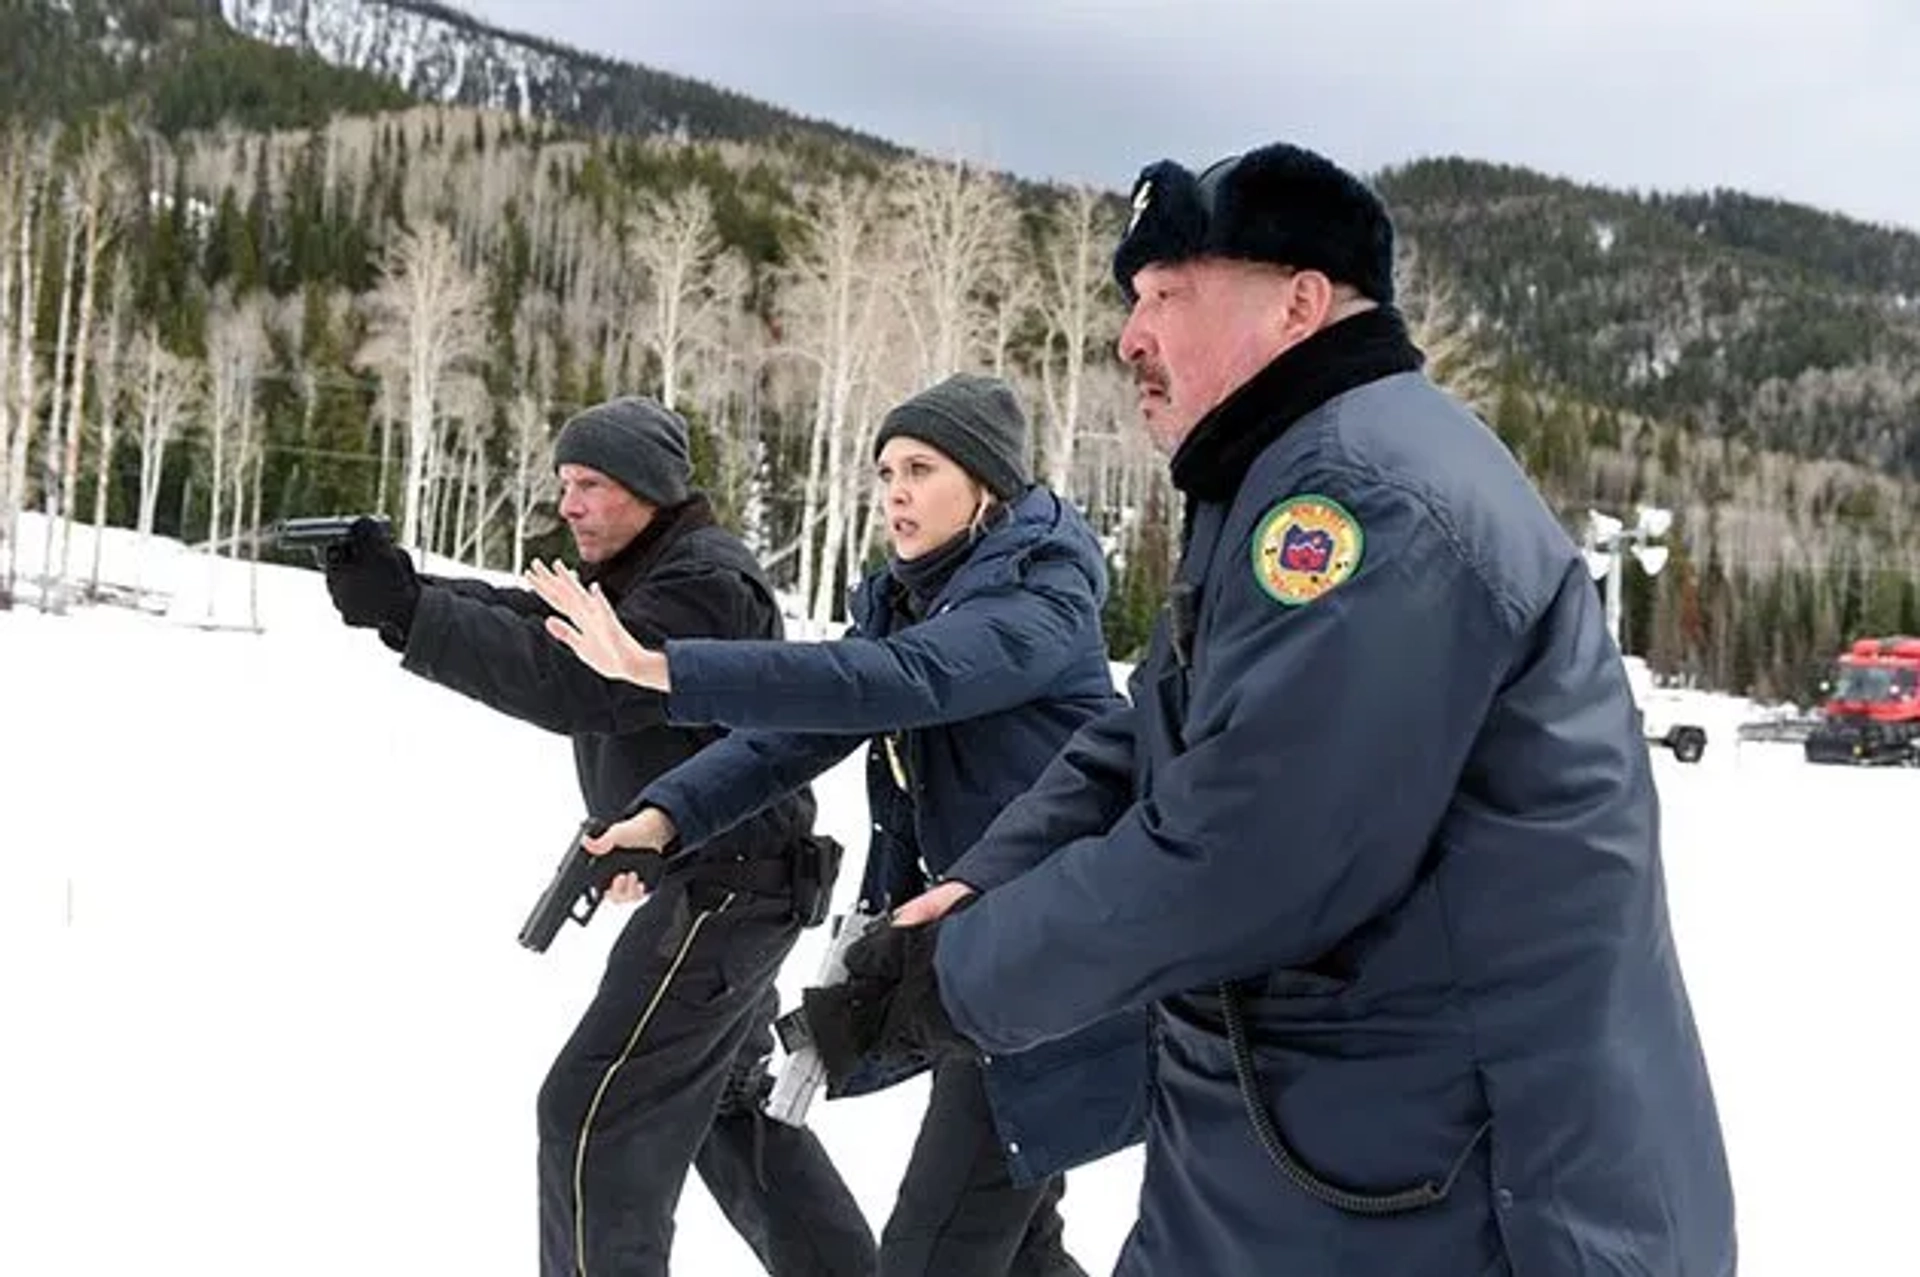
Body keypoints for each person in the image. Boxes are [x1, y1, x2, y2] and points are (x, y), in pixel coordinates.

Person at [775, 143, 1743, 1275]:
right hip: (1303, 1172)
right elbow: (1153, 738)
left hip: (1466, 1198)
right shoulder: (1276, 481)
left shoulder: (1367, 503)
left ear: (1299, 302)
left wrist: (950, 984)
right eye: (1132, 299)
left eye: (1168, 295)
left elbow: (1246, 854)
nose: (1131, 335)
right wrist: (982, 885)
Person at [525, 373, 1148, 1277]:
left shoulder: (1037, 601)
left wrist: (661, 666)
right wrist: (663, 816)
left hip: (1058, 955)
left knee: (935, 1254)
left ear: (987, 485)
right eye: (885, 469)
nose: (895, 489)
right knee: (1020, 1258)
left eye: (921, 468)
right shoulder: (907, 599)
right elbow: (804, 728)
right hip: (983, 961)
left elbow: (900, 681)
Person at [320, 395, 877, 1277]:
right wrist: (408, 593)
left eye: (589, 484)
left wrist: (415, 616)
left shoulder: (705, 584)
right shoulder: (647, 573)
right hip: (728, 889)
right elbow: (535, 620)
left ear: (650, 488)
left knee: (593, 1117)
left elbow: (580, 682)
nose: (568, 504)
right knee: (725, 1112)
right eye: (563, 484)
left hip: (728, 893)